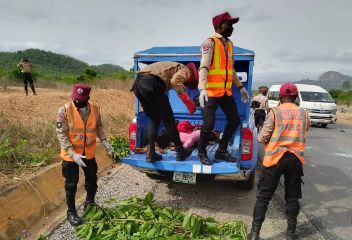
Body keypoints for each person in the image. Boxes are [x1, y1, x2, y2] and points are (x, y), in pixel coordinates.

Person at [248, 83, 309, 240]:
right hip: (295, 159)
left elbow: (262, 138)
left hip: (275, 159)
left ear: (280, 97)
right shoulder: (304, 113)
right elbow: (304, 131)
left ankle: (254, 234)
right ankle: (291, 233)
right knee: (292, 197)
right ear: (296, 97)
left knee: (264, 197)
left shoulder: (274, 112)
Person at [56, 83, 114, 226]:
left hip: (88, 153)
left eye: (81, 99)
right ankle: (71, 212)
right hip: (71, 156)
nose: (77, 101)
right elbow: (61, 134)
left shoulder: (94, 108)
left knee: (92, 181)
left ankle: (90, 203)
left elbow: (99, 126)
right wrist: (72, 153)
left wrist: (105, 141)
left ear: (87, 97)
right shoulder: (64, 110)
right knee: (71, 185)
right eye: (75, 98)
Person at [198, 12, 249, 165]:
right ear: (219, 26)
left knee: (234, 120)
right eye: (229, 25)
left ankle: (221, 151)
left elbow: (230, 70)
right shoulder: (210, 43)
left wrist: (240, 87)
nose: (232, 28)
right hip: (211, 93)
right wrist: (202, 89)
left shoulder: (230, 44)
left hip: (225, 92)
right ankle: (202, 153)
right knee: (209, 124)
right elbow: (204, 67)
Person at [133, 62, 199, 162]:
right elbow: (175, 81)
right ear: (192, 75)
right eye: (190, 82)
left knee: (154, 118)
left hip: (138, 84)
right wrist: (189, 103)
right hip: (151, 83)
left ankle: (151, 154)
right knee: (169, 120)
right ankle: (181, 151)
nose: (186, 84)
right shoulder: (186, 70)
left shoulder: (171, 68)